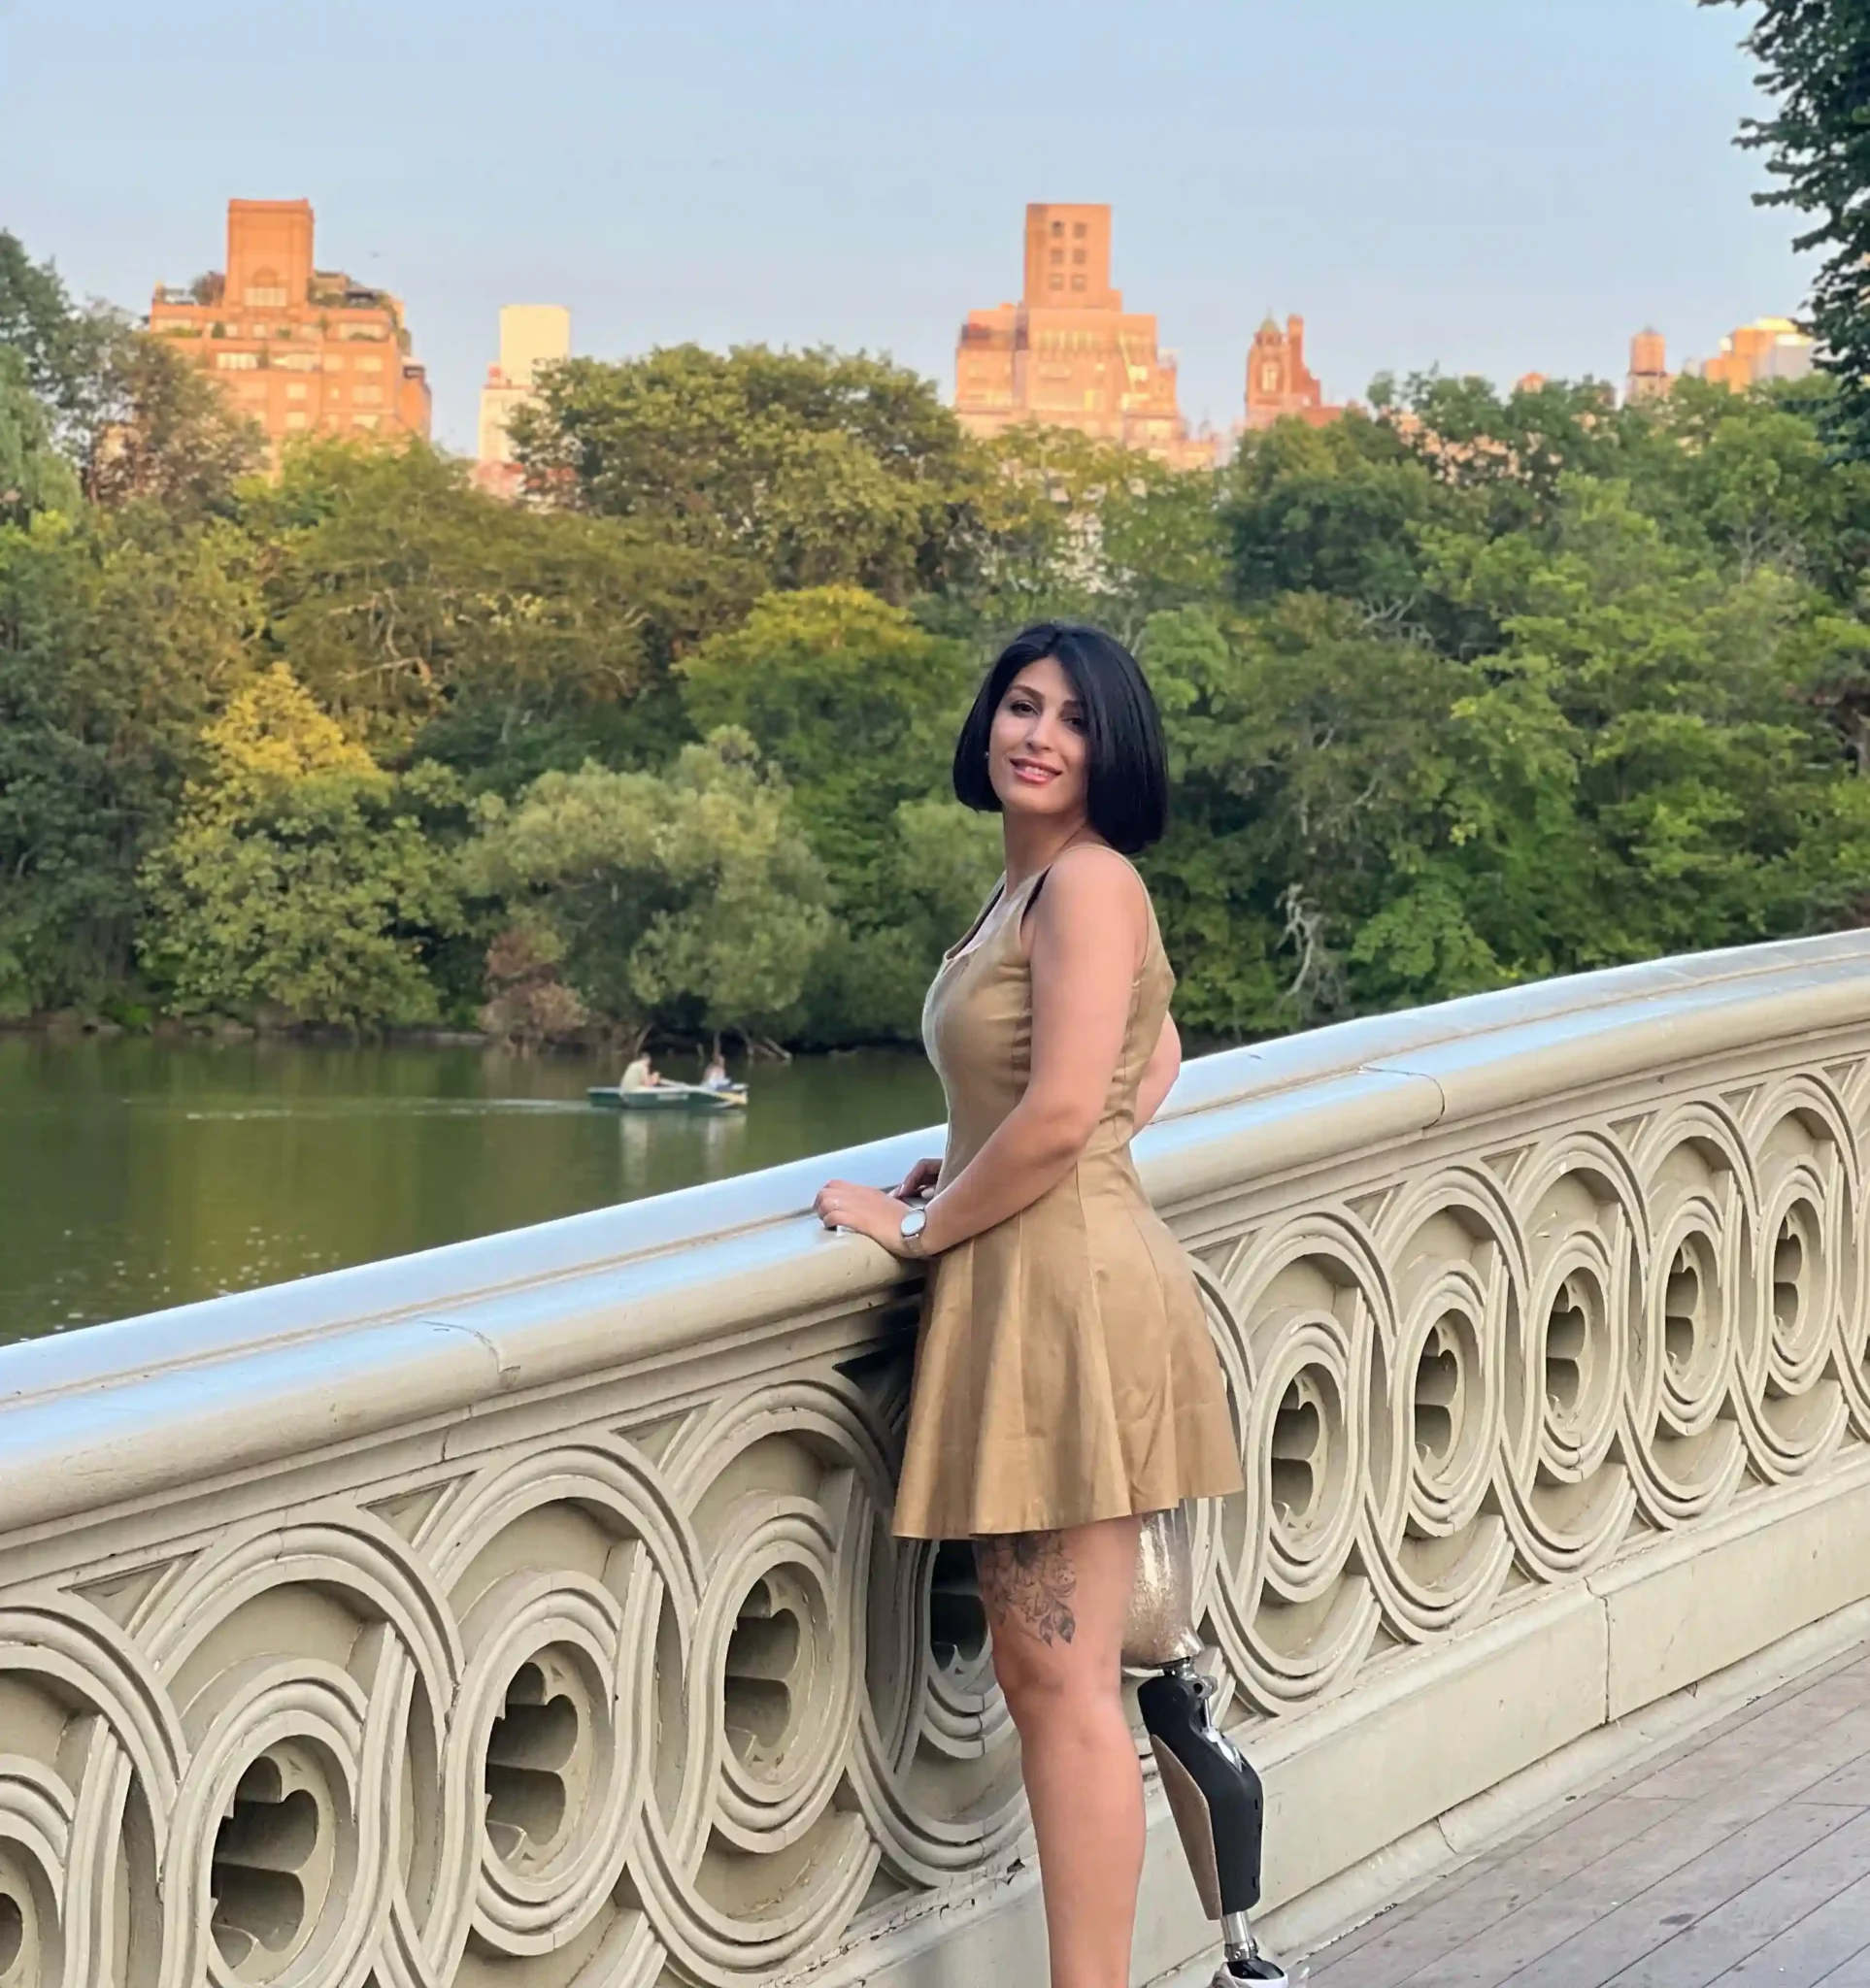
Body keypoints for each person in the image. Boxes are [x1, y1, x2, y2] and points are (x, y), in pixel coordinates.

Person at [815, 623, 1244, 1988]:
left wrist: (922, 1222)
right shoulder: (1029, 888)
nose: (1038, 735)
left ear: (1115, 753)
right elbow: (1146, 1054)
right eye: (1020, 705)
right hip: (1041, 1279)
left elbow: (1069, 1111)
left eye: (1072, 719)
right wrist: (981, 1152)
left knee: (1063, 1689)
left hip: (1067, 1298)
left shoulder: (1089, 882)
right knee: (1048, 1679)